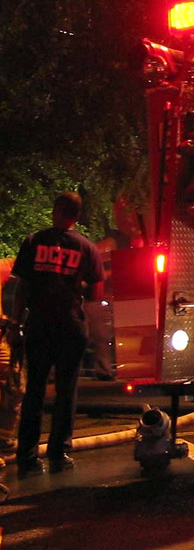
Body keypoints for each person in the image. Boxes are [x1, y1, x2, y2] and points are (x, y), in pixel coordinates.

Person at [10, 192, 104, 477]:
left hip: (39, 325)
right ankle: (59, 455)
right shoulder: (87, 248)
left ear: (57, 210)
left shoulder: (33, 241)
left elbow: (22, 288)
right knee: (67, 391)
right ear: (76, 215)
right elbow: (96, 292)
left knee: (35, 390)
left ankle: (27, 457)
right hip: (71, 326)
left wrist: (15, 324)